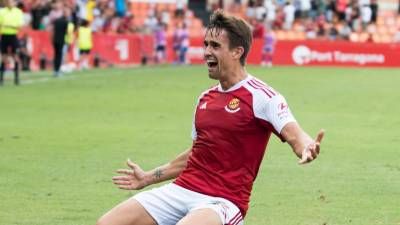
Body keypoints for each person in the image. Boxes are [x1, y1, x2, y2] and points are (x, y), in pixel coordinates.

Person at [96, 10, 324, 225]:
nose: (206, 51)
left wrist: (306, 147)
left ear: (237, 51)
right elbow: (197, 152)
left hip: (223, 201)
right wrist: (148, 177)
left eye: (215, 45)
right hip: (183, 190)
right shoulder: (205, 98)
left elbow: (295, 135)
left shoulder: (263, 97)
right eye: (205, 44)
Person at [0, 0, 24, 85]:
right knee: (3, 57)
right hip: (4, 36)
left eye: (11, 2)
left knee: (16, 56)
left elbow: (19, 25)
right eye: (8, 2)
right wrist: (10, 26)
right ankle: (1, 79)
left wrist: (8, 26)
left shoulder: (18, 12)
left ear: (14, 3)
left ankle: (16, 78)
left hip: (13, 36)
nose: (9, 3)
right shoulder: (2, 11)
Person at [51, 6, 68, 77]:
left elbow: (53, 31)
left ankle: (55, 70)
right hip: (61, 41)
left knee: (55, 55)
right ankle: (57, 70)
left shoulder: (57, 20)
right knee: (59, 56)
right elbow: (67, 32)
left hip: (55, 40)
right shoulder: (65, 22)